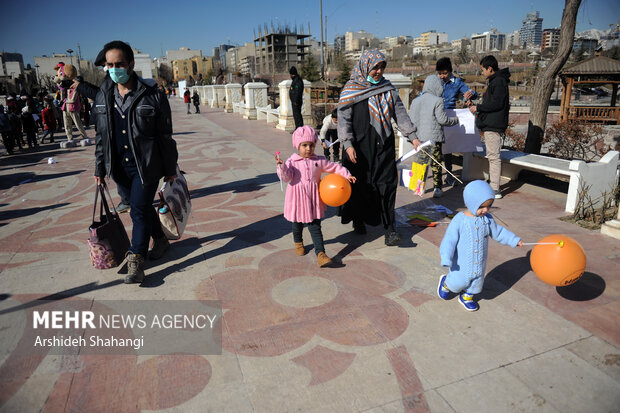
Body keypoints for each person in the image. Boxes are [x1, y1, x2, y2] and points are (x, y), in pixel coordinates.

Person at [94, 40, 178, 284]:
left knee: (139, 211)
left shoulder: (152, 94)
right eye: (109, 65)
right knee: (140, 208)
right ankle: (161, 240)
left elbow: (165, 136)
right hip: (118, 168)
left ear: (131, 65)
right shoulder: (103, 95)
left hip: (146, 165)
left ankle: (136, 260)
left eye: (119, 64)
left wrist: (170, 168)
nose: (114, 68)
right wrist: (100, 167)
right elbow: (101, 136)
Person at [337, 49, 418, 246]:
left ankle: (390, 229)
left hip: (384, 146)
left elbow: (400, 114)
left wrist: (413, 136)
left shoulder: (388, 89)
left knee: (387, 185)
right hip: (359, 149)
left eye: (382, 67)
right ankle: (358, 220)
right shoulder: (351, 89)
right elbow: (344, 120)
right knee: (360, 186)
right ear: (366, 66)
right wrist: (347, 145)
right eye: (375, 67)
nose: (379, 71)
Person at [276, 126, 355, 267]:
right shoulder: (292, 162)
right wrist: (282, 167)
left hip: (313, 200)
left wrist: (347, 175)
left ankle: (320, 254)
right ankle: (298, 242)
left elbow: (335, 167)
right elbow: (286, 178)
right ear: (297, 145)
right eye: (304, 145)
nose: (308, 148)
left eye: (311, 145)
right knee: (297, 224)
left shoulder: (319, 161)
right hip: (298, 199)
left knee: (315, 226)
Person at [438, 180, 523, 311]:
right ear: (471, 203)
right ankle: (446, 283)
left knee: (476, 283)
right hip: (461, 264)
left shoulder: (487, 219)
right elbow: (449, 240)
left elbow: (498, 232)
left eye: (489, 206)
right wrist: (446, 257)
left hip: (480, 263)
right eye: (481, 207)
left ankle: (466, 297)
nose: (486, 210)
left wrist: (513, 240)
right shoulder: (459, 220)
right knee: (457, 281)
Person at [408, 74, 459, 198]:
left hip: (419, 139)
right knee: (436, 164)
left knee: (420, 162)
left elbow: (412, 120)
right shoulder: (438, 100)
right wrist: (455, 120)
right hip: (434, 138)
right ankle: (437, 188)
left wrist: (413, 137)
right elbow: (442, 120)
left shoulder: (415, 101)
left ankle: (418, 187)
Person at [467, 55, 510, 199]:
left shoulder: (498, 82)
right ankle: (493, 184)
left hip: (494, 125)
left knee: (493, 157)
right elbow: (492, 102)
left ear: (490, 68)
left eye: (482, 70)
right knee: (492, 155)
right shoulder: (496, 81)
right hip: (491, 124)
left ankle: (495, 189)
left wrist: (478, 107)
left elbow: (497, 104)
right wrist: (476, 106)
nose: (482, 73)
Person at [436, 57, 478, 186]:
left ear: (450, 71)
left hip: (448, 119)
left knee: (447, 150)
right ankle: (419, 180)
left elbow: (473, 93)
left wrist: (470, 94)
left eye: (444, 73)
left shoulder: (457, 83)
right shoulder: (434, 81)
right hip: (434, 118)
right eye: (439, 73)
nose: (442, 76)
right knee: (431, 149)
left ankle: (448, 175)